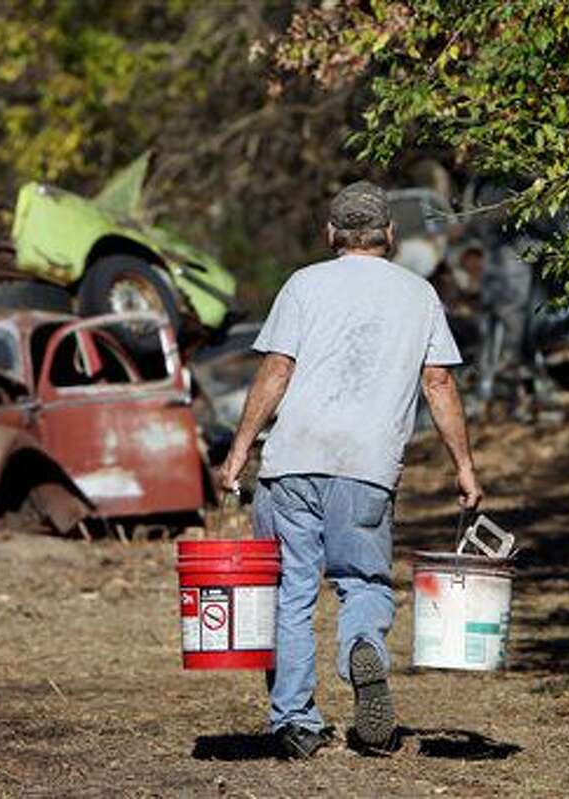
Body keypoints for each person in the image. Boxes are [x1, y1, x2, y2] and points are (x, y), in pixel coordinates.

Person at [219, 180, 483, 758]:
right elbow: (438, 382)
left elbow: (277, 371)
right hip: (366, 466)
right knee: (362, 582)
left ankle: (296, 721)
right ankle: (362, 643)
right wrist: (463, 466)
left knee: (290, 591)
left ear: (330, 233)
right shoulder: (419, 295)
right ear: (389, 233)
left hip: (292, 462)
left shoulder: (303, 284)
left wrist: (239, 449)